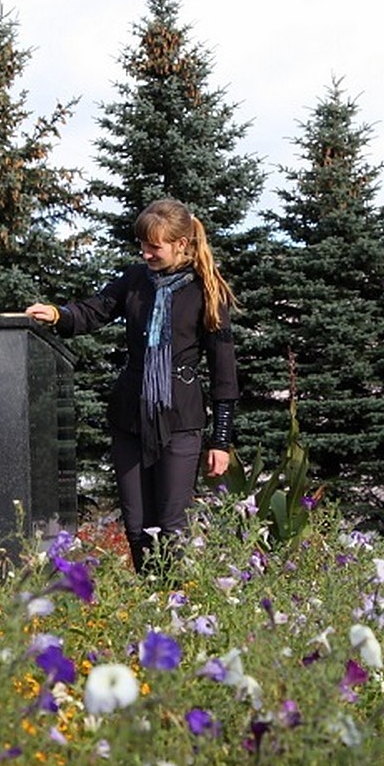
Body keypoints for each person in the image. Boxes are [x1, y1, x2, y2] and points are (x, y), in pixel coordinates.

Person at [27, 199, 240, 572]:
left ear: (181, 245)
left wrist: (220, 441)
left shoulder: (208, 293)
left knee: (171, 526)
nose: (146, 253)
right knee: (137, 526)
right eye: (143, 245)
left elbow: (225, 374)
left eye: (154, 246)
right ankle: (149, 599)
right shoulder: (134, 280)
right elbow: (93, 311)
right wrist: (58, 314)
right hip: (129, 418)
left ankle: (172, 598)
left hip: (181, 421)